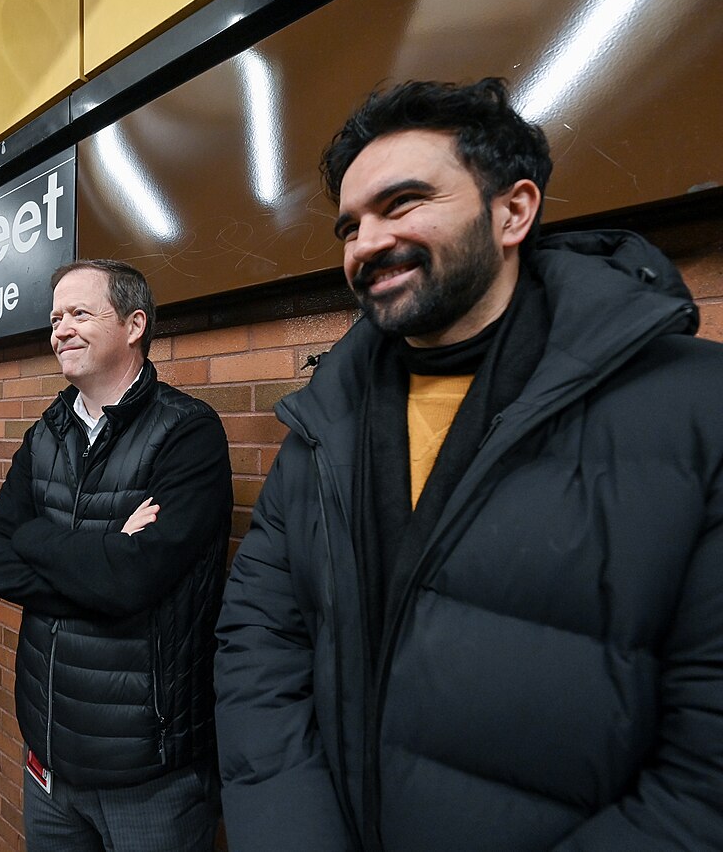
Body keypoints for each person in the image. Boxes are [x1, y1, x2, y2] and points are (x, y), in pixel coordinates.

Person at [213, 77, 723, 852]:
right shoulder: (322, 422)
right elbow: (259, 641)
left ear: (513, 210)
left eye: (404, 203)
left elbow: (705, 771)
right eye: (350, 226)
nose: (368, 244)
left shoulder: (695, 411)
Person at [0, 260, 233, 851]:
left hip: (149, 772)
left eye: (80, 313)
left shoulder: (187, 433)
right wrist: (105, 552)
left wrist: (36, 539)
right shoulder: (47, 432)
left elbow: (132, 582)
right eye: (55, 317)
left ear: (135, 323)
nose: (60, 328)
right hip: (49, 756)